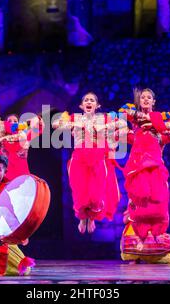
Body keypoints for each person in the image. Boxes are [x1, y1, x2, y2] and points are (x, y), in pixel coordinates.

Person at [119, 87, 170, 265]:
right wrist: (140, 119)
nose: (145, 100)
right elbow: (121, 113)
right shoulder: (135, 123)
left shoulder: (162, 121)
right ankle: (135, 249)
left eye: (149, 98)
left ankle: (156, 242)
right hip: (137, 168)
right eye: (143, 97)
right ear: (139, 101)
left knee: (158, 203)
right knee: (137, 202)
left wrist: (151, 122)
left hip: (155, 168)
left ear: (154, 101)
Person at [53, 92, 126, 234]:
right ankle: (82, 218)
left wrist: (106, 127)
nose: (89, 102)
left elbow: (122, 123)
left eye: (92, 100)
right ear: (81, 105)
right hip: (79, 158)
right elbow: (56, 124)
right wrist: (70, 123)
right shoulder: (76, 118)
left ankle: (91, 217)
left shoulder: (103, 118)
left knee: (96, 193)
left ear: (97, 105)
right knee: (80, 191)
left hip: (97, 157)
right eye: (86, 100)